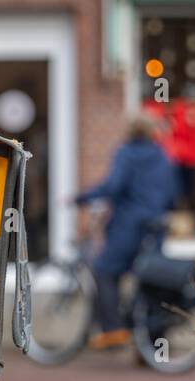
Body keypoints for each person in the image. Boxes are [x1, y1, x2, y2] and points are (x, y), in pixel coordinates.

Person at [74, 113, 178, 350]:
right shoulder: (162, 155)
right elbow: (173, 193)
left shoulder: (126, 153)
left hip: (129, 225)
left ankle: (114, 330)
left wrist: (83, 198)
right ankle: (152, 344)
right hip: (155, 228)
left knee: (104, 271)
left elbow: (113, 186)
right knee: (151, 279)